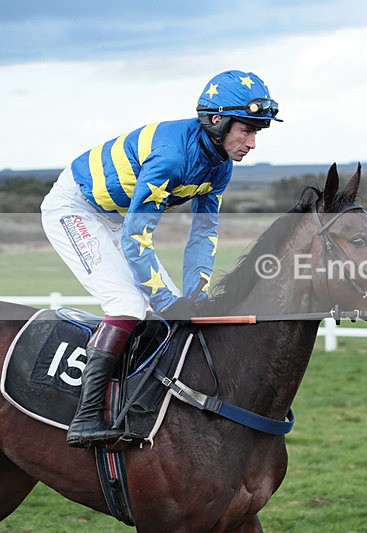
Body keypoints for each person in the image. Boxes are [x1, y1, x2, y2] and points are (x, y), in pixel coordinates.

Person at [40, 70, 282, 447]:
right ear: (216, 120)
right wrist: (168, 301)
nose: (252, 143)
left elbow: (203, 234)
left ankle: (140, 399)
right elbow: (137, 237)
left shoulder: (221, 166)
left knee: (170, 311)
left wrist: (196, 298)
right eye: (246, 131)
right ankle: (85, 418)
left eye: (257, 133)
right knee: (128, 304)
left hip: (116, 217)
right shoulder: (171, 157)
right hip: (75, 209)